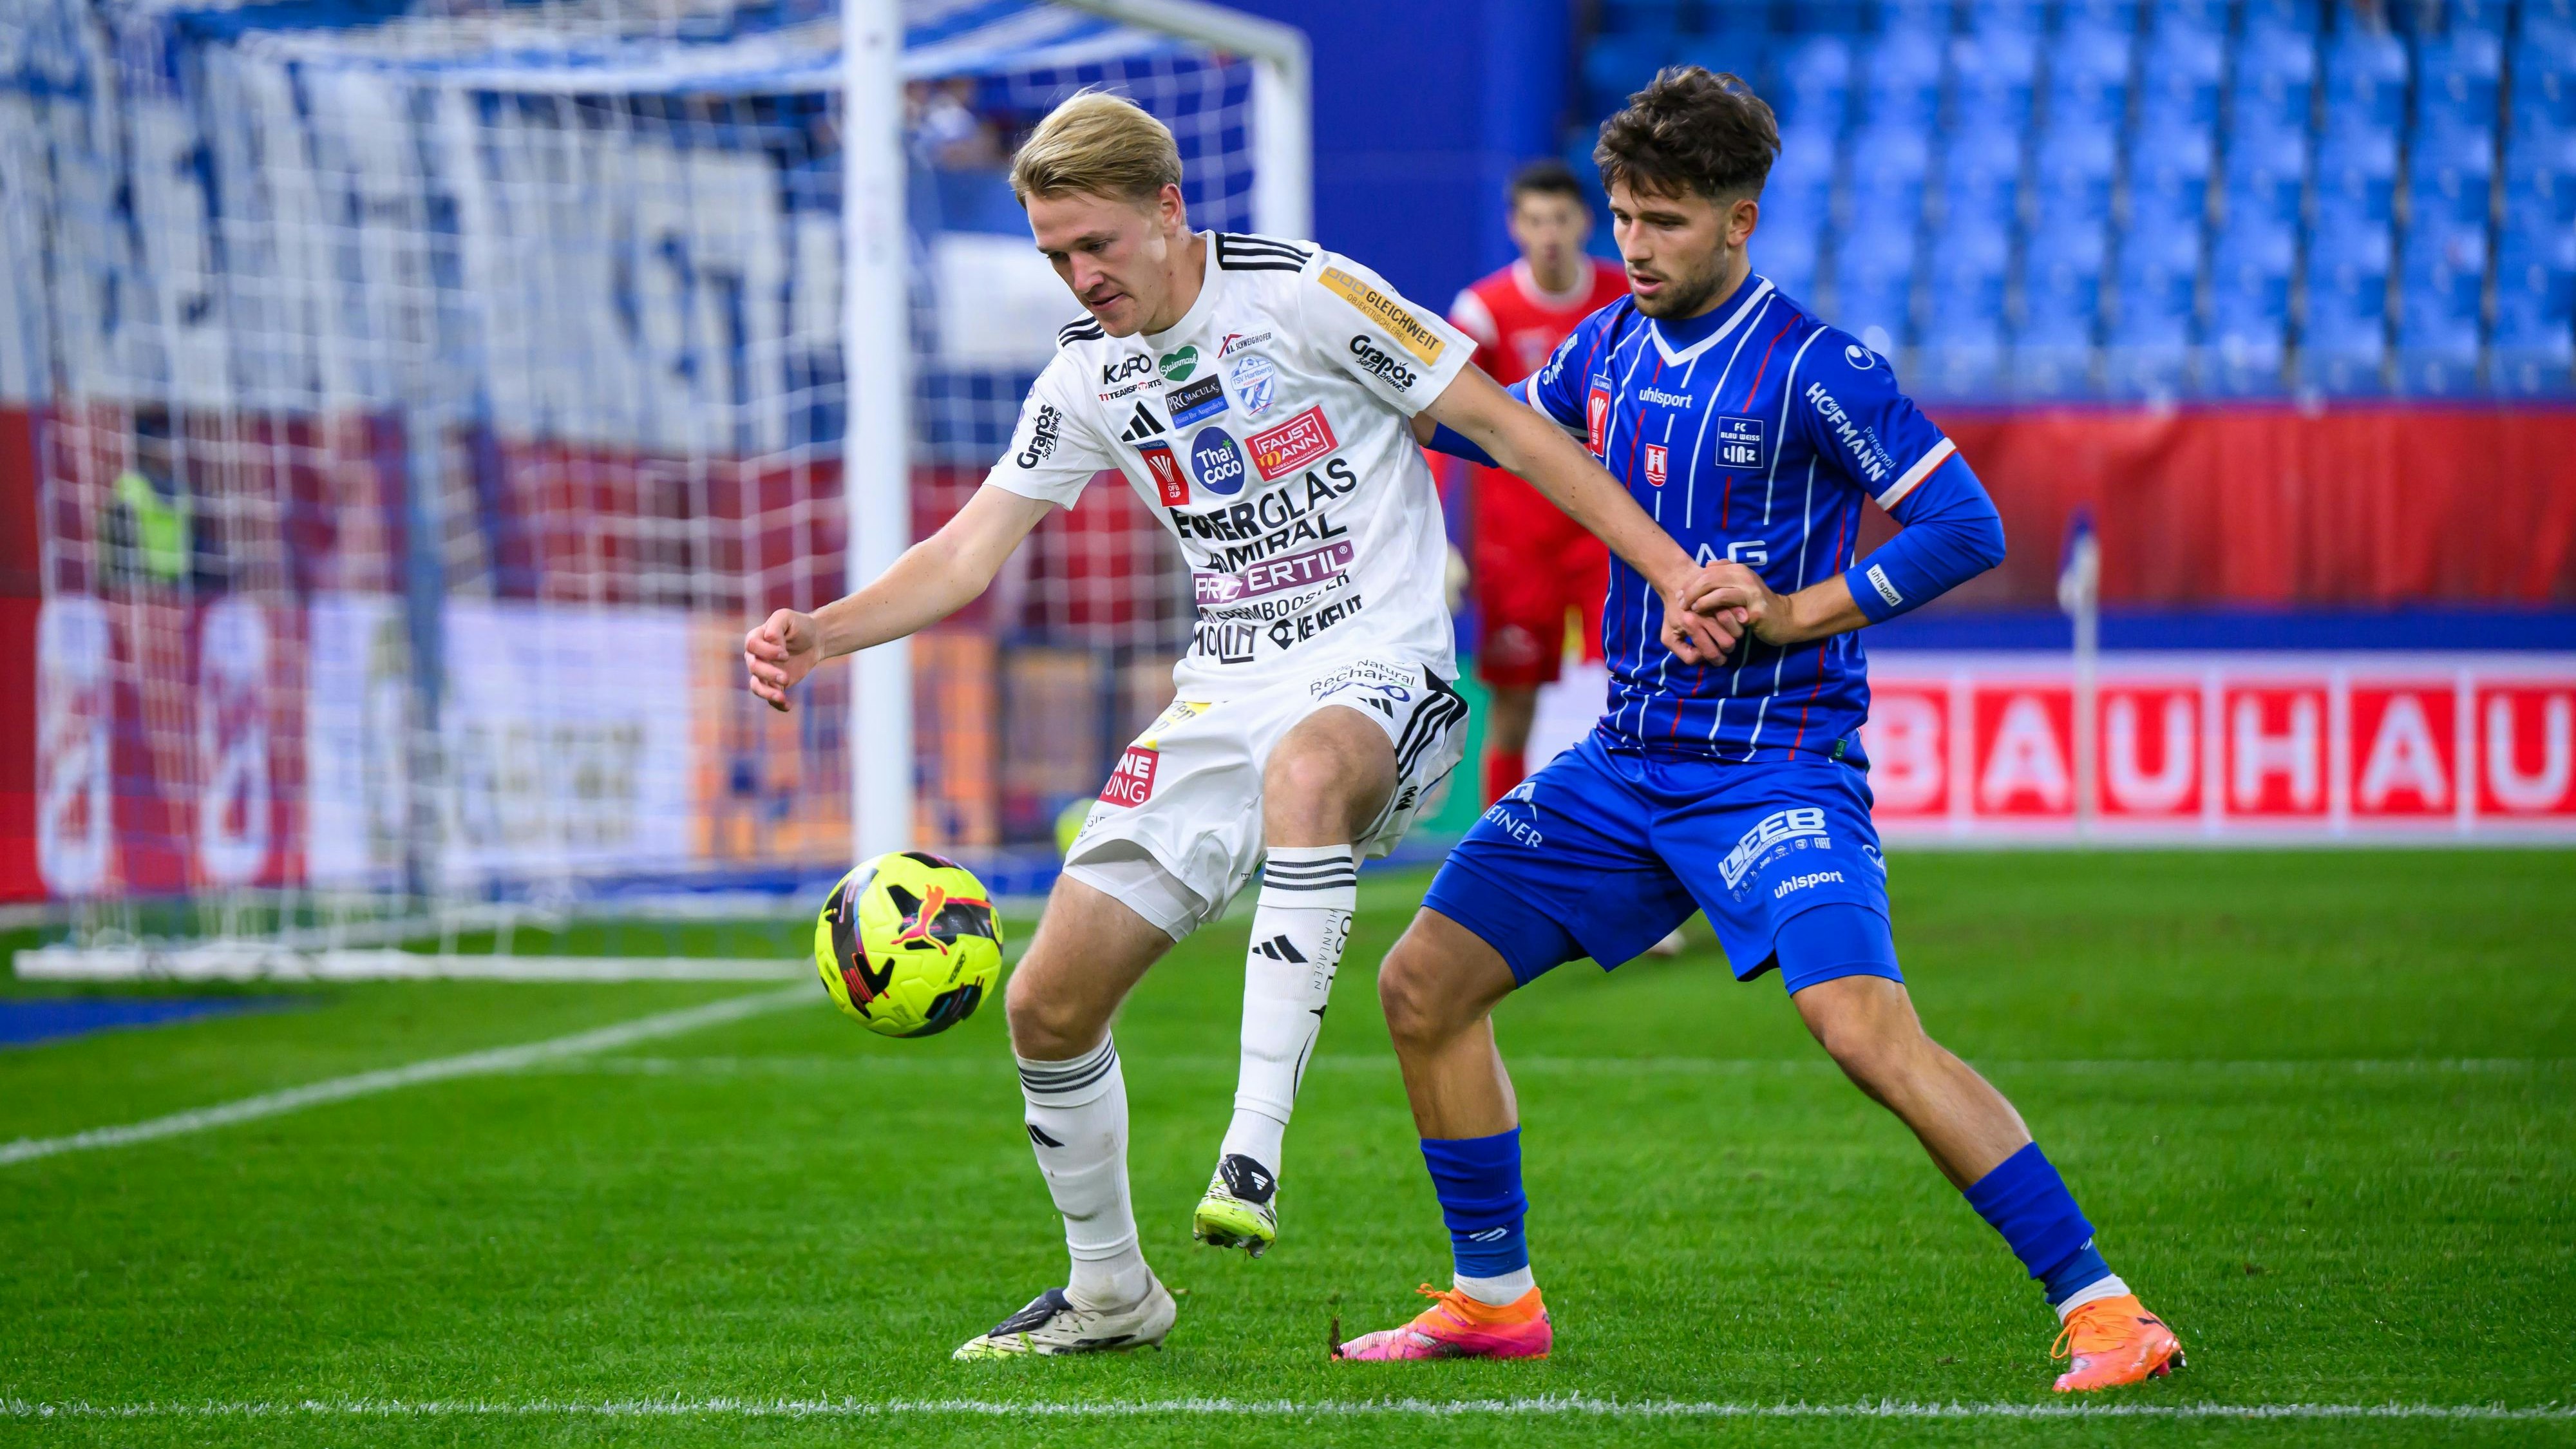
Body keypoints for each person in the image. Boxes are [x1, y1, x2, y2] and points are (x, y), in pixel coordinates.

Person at [741, 91, 1742, 1358]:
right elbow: (967, 549)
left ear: (1168, 208)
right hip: (1221, 693)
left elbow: (1498, 424)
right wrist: (820, 632)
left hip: (1381, 665)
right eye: (1056, 254)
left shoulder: (1308, 293)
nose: (1079, 274)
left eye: (1095, 243)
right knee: (1046, 1005)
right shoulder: (1086, 371)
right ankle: (1109, 1291)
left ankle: (1251, 1149)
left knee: (1308, 772)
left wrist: (1662, 567)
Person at [1336, 68, 2186, 1396]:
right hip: (1626, 763)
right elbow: (1512, 437)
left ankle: (2103, 1308)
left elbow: (1966, 526)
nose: (1631, 246)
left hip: (1773, 771)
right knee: (1420, 988)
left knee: (1861, 1029)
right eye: (1621, 215)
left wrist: (1798, 610)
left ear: (1738, 220)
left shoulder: (1814, 367)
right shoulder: (1606, 348)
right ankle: (1491, 1298)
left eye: (1662, 221)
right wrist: (1357, 383)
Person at [1446, 160, 1630, 808]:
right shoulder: (1483, 309)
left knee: (1638, 688)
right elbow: (1448, 420)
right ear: (1514, 227)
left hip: (1605, 533)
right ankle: (1497, 843)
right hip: (1518, 543)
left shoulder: (1622, 298)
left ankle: (1640, 839)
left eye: (1559, 218)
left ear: (1584, 222)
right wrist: (1445, 540)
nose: (1548, 233)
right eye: (1534, 220)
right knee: (1514, 700)